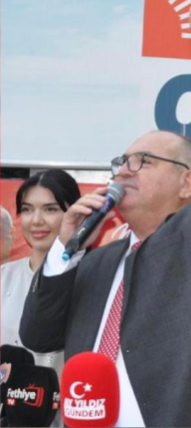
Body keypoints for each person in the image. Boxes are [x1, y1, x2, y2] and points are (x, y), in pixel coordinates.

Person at [20, 0, 191, 427]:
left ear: (188, 183)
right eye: (122, 161)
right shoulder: (95, 262)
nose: (124, 171)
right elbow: (38, 336)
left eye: (144, 161)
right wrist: (64, 251)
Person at [1, 169, 81, 427]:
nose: (36, 221)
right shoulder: (3, 276)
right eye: (27, 209)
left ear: (75, 213)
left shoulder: (96, 278)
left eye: (50, 209)